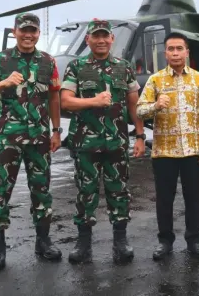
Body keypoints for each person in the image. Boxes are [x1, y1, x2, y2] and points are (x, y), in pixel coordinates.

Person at [0, 12, 63, 270]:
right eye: (23, 30)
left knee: (41, 190)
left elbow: (54, 98)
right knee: (2, 189)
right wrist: (4, 82)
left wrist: (57, 130)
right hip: (8, 139)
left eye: (33, 30)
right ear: (14, 31)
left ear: (38, 33)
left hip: (39, 138)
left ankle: (43, 241)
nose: (28, 34)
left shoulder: (49, 62)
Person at [59, 19, 146, 264]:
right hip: (85, 144)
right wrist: (93, 101)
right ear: (88, 40)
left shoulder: (124, 67)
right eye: (95, 36)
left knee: (119, 191)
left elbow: (134, 104)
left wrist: (139, 136)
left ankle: (120, 241)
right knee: (86, 192)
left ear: (111, 39)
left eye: (104, 36)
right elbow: (66, 101)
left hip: (116, 143)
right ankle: (83, 242)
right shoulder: (76, 67)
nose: (100, 40)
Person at [136, 32, 199, 261]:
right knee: (164, 199)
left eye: (179, 48)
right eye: (171, 49)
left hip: (193, 150)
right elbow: (140, 110)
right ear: (165, 53)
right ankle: (165, 241)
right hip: (164, 151)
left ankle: (194, 241)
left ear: (187, 52)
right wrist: (155, 105)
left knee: (193, 198)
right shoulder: (156, 80)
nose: (175, 53)